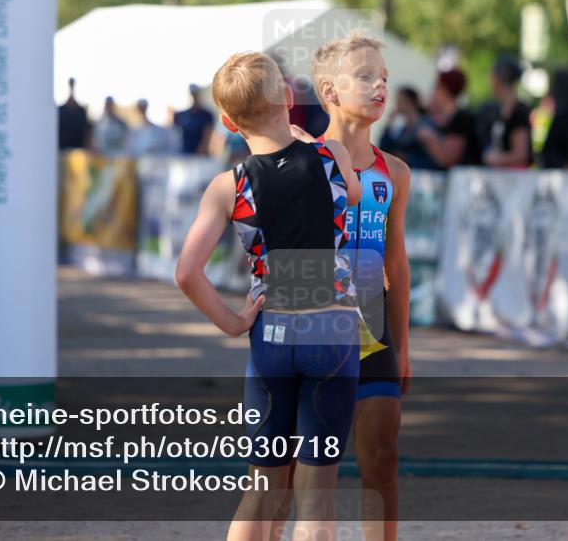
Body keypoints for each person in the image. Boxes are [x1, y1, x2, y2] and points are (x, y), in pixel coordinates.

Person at [175, 51, 362, 541]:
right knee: (317, 498)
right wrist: (308, 142)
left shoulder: (227, 187)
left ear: (227, 121)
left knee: (262, 488)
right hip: (332, 334)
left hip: (271, 335)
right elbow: (357, 194)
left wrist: (234, 322)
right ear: (288, 98)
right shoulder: (333, 158)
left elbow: (187, 273)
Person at [275, 31, 411, 541]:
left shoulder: (394, 172)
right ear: (329, 90)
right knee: (291, 471)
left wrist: (403, 348)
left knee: (382, 457)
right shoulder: (298, 160)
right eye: (365, 76)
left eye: (384, 78)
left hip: (373, 333)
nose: (379, 86)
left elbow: (396, 261)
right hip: (308, 331)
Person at [416, 69, 482, 168]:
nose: (434, 91)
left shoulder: (462, 118)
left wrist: (430, 139)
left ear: (445, 90)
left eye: (437, 87)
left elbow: (447, 159)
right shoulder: (444, 119)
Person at [481, 57, 532, 168]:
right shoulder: (497, 110)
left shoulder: (519, 112)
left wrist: (495, 158)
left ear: (499, 80)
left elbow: (521, 154)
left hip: (514, 178)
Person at [378, 86, 435, 169]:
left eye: (400, 100)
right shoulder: (402, 129)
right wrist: (389, 123)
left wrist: (407, 158)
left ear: (410, 102)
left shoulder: (426, 125)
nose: (397, 104)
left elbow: (430, 157)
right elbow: (384, 148)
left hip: (424, 175)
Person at [173, 84, 215, 155]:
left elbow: (208, 135)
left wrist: (201, 151)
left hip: (200, 155)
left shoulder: (206, 115)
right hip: (184, 154)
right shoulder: (180, 114)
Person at [58, 77, 92, 150]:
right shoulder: (60, 110)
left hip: (78, 153)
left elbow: (86, 132)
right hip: (62, 151)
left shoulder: (81, 111)